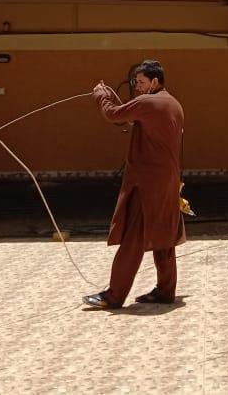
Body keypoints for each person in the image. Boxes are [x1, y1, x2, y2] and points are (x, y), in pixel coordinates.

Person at [84, 59, 185, 309]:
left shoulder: (148, 102)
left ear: (155, 81)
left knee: (134, 236)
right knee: (164, 234)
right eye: (135, 82)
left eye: (141, 82)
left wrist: (101, 95)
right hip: (168, 179)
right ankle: (165, 291)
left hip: (147, 182)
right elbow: (130, 117)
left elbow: (113, 114)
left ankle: (114, 295)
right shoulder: (173, 103)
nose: (137, 87)